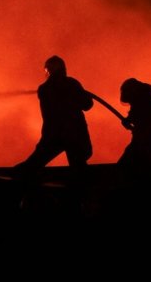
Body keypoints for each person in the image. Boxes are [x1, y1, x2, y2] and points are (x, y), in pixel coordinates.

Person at [14, 55, 94, 197]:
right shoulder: (72, 84)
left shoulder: (44, 89)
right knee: (79, 166)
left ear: (48, 70)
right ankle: (83, 195)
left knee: (34, 163)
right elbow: (87, 105)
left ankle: (17, 178)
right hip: (74, 133)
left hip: (53, 134)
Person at [117, 77, 151, 179]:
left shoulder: (145, 101)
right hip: (145, 137)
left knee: (142, 164)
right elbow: (134, 116)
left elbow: (144, 120)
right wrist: (128, 121)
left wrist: (130, 122)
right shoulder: (140, 99)